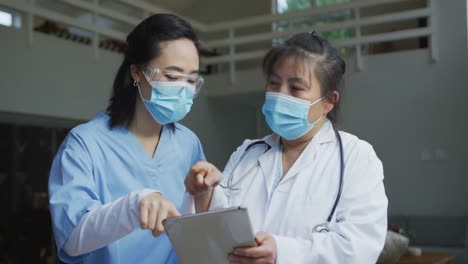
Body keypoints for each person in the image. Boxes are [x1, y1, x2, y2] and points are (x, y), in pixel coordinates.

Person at [184, 31, 388, 263]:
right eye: (274, 82)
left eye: (296, 88)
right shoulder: (247, 152)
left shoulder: (356, 157)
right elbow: (220, 227)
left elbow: (359, 248)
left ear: (328, 102)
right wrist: (205, 194)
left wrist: (282, 252)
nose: (280, 95)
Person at [49, 14, 206, 264]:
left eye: (190, 79)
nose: (183, 89)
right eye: (172, 76)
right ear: (136, 72)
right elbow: (72, 238)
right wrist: (135, 204)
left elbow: (197, 227)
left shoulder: (188, 143)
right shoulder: (86, 143)